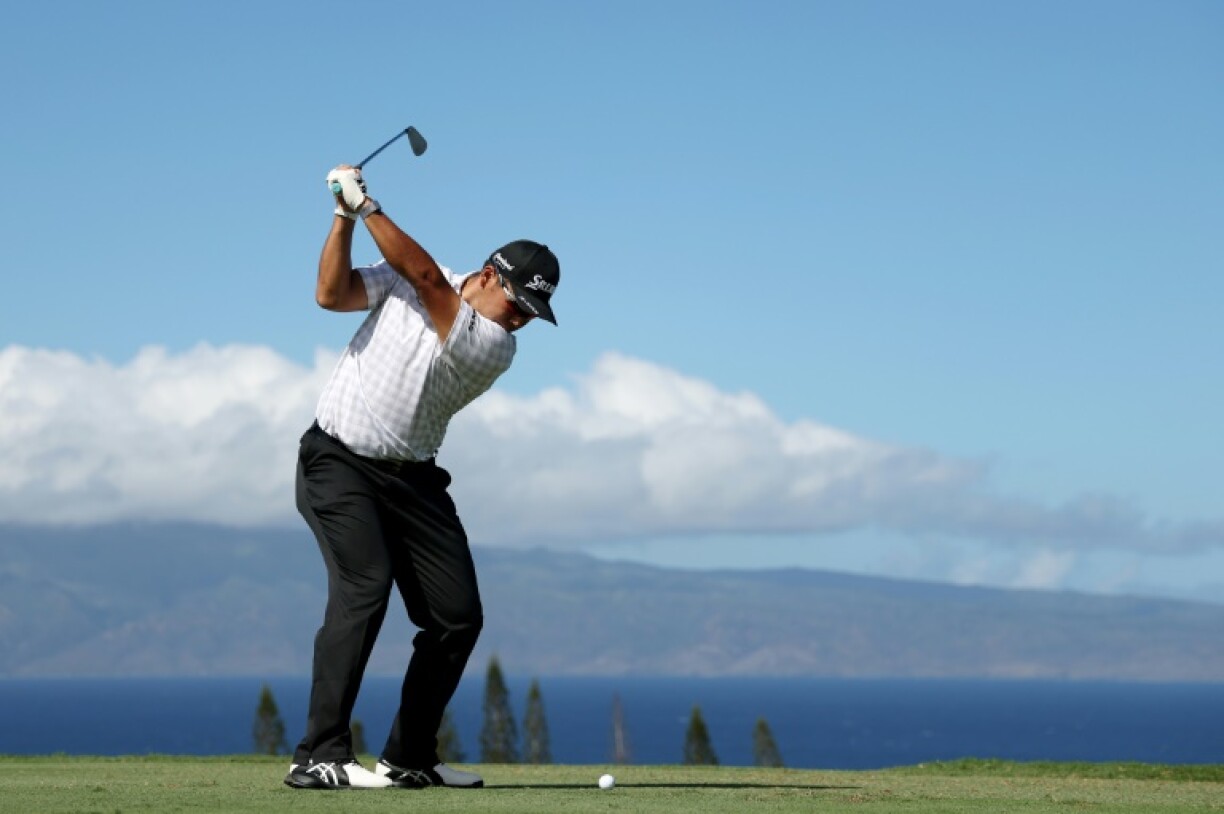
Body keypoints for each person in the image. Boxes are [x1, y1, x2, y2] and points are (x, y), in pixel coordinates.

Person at [284, 164, 560, 790]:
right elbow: (332, 293)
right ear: (489, 276)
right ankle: (318, 754)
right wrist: (342, 218)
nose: (517, 321)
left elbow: (426, 276)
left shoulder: (492, 345)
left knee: (456, 616)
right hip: (338, 462)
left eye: (530, 315)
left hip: (414, 479)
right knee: (365, 588)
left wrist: (366, 204)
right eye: (516, 304)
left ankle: (410, 756)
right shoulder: (416, 278)